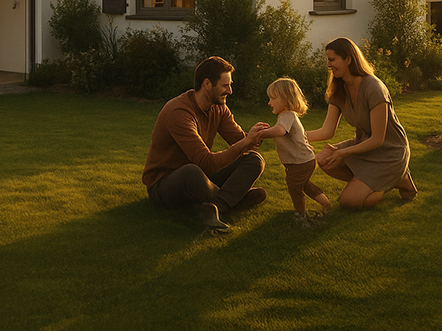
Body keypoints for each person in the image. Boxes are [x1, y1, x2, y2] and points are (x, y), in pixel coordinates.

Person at [142, 56, 269, 234]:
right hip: (164, 183)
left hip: (201, 172)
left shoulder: (219, 108)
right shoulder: (179, 112)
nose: (230, 91)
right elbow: (206, 162)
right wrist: (246, 142)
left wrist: (267, 132)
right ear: (207, 84)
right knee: (191, 172)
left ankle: (216, 207)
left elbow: (242, 142)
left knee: (254, 159)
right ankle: (235, 198)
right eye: (225, 85)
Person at [310, 37, 417, 210]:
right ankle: (381, 180)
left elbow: (377, 140)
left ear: (348, 59)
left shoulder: (374, 88)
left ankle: (395, 178)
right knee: (323, 159)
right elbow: (327, 131)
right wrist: (292, 136)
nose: (328, 65)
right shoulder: (338, 89)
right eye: (327, 60)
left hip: (390, 151)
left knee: (350, 202)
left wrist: (343, 153)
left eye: (332, 60)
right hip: (363, 144)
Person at [257, 77, 331, 225]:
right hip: (303, 160)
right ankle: (326, 204)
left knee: (295, 187)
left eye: (273, 98)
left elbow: (280, 131)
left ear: (285, 99)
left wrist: (261, 133)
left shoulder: (288, 115)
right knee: (304, 185)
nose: (269, 102)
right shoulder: (287, 115)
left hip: (301, 162)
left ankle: (301, 215)